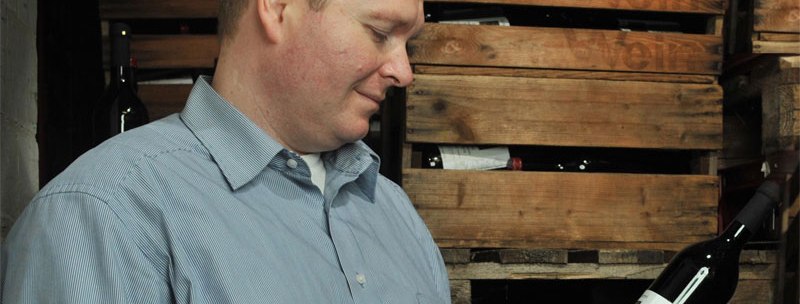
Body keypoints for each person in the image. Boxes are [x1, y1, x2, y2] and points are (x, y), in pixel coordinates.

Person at [1, 0, 451, 302]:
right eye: (379, 33)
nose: (403, 71)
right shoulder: (101, 213)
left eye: (407, 44)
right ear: (276, 8)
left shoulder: (396, 214)